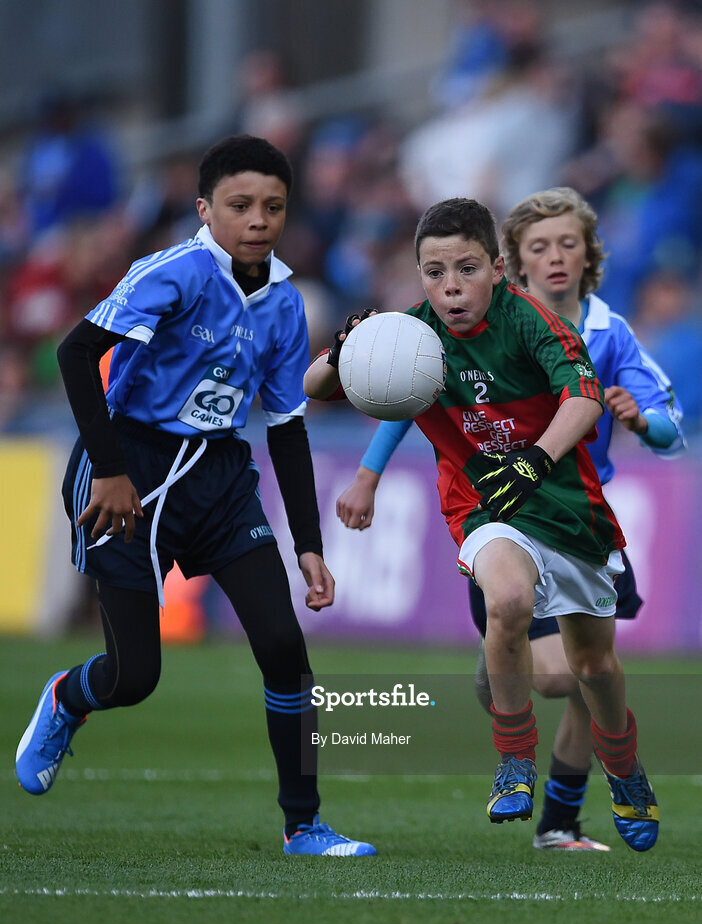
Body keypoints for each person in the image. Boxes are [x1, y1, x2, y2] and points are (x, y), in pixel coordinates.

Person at [15, 134, 376, 857]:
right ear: (206, 209)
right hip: (128, 470)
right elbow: (76, 353)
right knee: (134, 677)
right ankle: (67, 696)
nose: (258, 219)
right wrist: (112, 470)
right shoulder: (175, 272)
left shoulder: (284, 304)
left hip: (218, 478)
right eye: (240, 204)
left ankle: (303, 824)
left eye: (273, 206)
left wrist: (308, 545)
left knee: (283, 647)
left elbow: (286, 429)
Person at [328, 188, 684, 852]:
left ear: (496, 268)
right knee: (514, 605)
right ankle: (517, 757)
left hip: (571, 510)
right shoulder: (412, 334)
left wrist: (535, 459)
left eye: (466, 269)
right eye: (435, 273)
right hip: (488, 508)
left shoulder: (549, 327)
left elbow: (588, 404)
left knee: (593, 670)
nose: (450, 286)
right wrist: (344, 353)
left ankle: (624, 769)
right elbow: (341, 385)